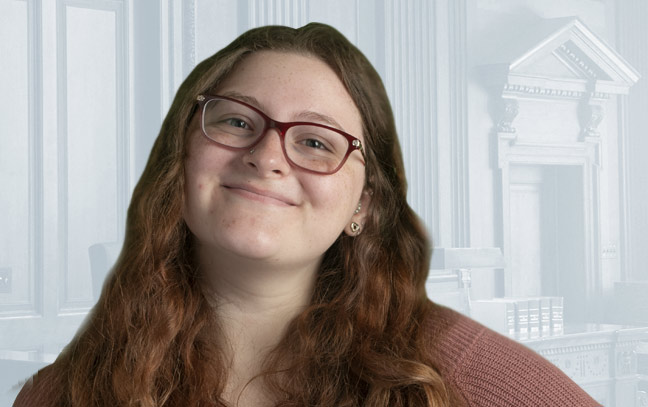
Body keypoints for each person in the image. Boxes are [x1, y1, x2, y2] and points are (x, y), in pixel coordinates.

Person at [14, 23, 600, 407]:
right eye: (237, 121)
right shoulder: (62, 394)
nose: (268, 156)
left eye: (316, 142)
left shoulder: (465, 375)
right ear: (182, 155)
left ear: (363, 205)